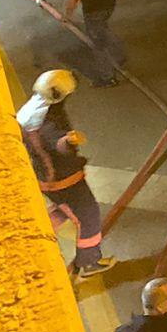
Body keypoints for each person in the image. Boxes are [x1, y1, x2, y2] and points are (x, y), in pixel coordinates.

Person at [18, 69, 114, 278]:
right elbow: (57, 143)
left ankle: (33, 237)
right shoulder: (49, 120)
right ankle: (89, 262)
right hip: (63, 181)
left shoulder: (30, 109)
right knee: (88, 215)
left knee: (65, 210)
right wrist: (69, 141)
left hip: (48, 179)